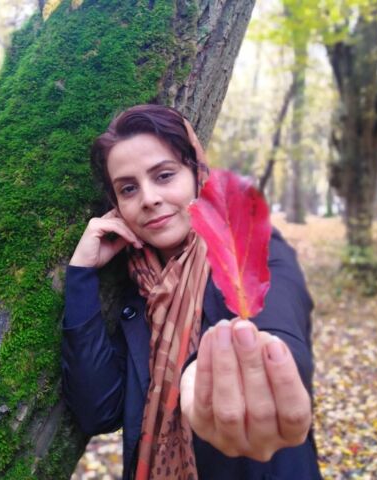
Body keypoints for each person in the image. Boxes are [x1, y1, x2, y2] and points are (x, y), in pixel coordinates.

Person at [61, 104, 322, 479]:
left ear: (198, 173)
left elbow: (279, 339)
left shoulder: (249, 249)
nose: (149, 198)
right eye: (128, 188)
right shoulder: (141, 287)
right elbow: (98, 410)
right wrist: (81, 275)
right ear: (116, 207)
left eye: (164, 175)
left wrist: (219, 378)